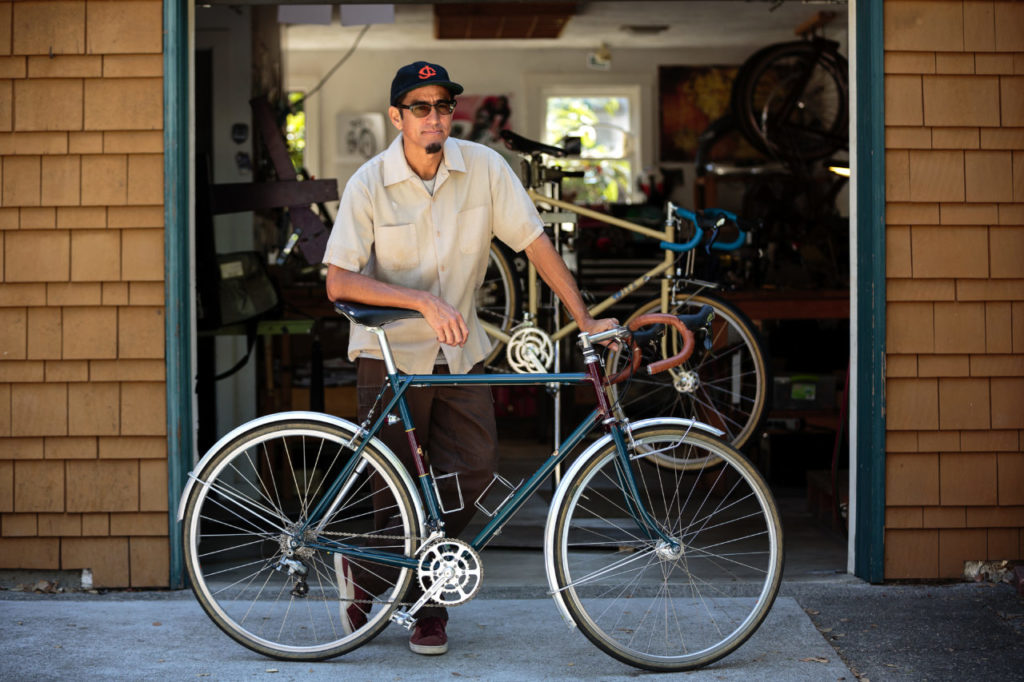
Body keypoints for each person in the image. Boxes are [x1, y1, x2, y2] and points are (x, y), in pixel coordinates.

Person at [323, 60, 617, 656]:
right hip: (390, 357)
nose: (434, 117)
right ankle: (427, 610)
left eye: (443, 106)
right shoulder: (369, 184)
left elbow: (535, 244)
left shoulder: (484, 168)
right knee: (398, 489)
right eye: (420, 107)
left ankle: (369, 572)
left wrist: (584, 318)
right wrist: (420, 300)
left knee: (476, 469)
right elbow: (338, 281)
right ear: (398, 117)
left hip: (459, 357)